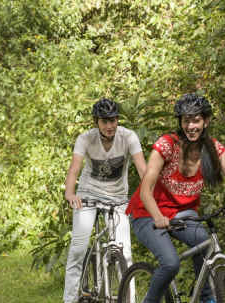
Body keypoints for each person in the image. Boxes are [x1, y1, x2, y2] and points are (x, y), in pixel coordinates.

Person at [125, 93, 225, 303]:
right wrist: (158, 216)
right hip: (147, 213)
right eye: (186, 120)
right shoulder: (166, 145)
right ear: (180, 122)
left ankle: (205, 298)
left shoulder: (212, 148)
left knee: (205, 243)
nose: (191, 126)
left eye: (196, 120)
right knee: (170, 263)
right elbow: (145, 191)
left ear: (206, 121)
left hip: (183, 214)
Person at [63, 98, 148, 303]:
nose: (110, 126)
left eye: (113, 120)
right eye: (105, 121)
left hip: (118, 198)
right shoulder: (85, 138)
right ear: (96, 122)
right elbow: (74, 169)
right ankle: (69, 299)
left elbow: (143, 169)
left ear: (118, 120)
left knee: (125, 253)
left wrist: (150, 194)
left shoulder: (128, 137)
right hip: (89, 194)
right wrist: (70, 193)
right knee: (78, 248)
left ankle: (129, 300)